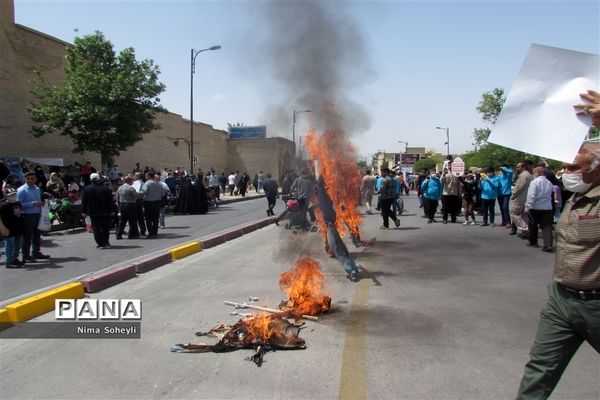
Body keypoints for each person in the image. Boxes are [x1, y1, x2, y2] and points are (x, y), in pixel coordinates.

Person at [516, 141, 600, 399]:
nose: (567, 173)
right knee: (539, 370)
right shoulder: (574, 198)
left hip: (595, 303)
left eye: (574, 166)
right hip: (561, 300)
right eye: (564, 167)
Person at [316, 176, 360, 282]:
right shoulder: (324, 191)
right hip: (330, 223)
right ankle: (353, 268)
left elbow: (332, 207)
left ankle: (351, 270)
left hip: (331, 224)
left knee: (337, 249)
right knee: (341, 249)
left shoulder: (324, 192)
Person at [16, 171, 50, 262]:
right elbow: (18, 204)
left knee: (37, 235)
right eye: (28, 179)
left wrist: (41, 203)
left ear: (35, 179)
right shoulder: (22, 190)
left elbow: (38, 200)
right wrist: (32, 203)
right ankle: (26, 255)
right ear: (25, 179)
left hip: (38, 214)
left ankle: (36, 252)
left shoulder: (37, 189)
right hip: (27, 215)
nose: (31, 180)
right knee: (27, 236)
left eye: (32, 179)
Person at [523, 166, 554, 252]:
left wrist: (527, 206)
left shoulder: (535, 182)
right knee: (547, 226)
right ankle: (548, 245)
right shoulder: (549, 182)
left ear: (538, 173)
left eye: (534, 173)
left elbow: (531, 195)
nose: (533, 174)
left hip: (536, 207)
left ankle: (533, 242)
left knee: (532, 225)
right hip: (547, 207)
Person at [81, 173, 115, 249]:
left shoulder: (86, 189)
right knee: (105, 228)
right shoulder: (106, 188)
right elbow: (110, 200)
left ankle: (100, 243)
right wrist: (112, 210)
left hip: (93, 212)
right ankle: (106, 242)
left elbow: (84, 201)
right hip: (106, 211)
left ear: (90, 179)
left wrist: (84, 211)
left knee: (96, 228)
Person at [1, 189, 24, 268]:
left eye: (14, 194)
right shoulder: (3, 206)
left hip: (18, 228)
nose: (13, 196)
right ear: (6, 196)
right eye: (11, 195)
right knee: (10, 246)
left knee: (18, 245)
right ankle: (9, 261)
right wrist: (3, 228)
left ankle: (15, 259)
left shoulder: (18, 203)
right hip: (8, 229)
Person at [509, 162, 533, 237]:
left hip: (519, 198)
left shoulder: (523, 175)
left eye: (518, 167)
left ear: (523, 168)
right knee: (523, 215)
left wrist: (513, 195)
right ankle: (527, 230)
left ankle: (525, 228)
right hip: (526, 198)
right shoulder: (529, 175)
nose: (516, 169)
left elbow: (519, 188)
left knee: (513, 213)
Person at [140, 172, 167, 238]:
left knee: (148, 218)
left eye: (146, 175)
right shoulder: (159, 184)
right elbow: (163, 194)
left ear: (149, 176)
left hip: (149, 203)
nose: (145, 177)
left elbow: (144, 192)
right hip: (157, 202)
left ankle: (151, 233)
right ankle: (155, 232)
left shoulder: (147, 183)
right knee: (155, 218)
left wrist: (137, 193)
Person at [115, 175, 139, 239]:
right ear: (129, 181)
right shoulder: (131, 188)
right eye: (132, 180)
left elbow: (117, 198)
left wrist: (119, 206)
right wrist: (140, 194)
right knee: (132, 220)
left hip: (122, 204)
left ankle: (118, 234)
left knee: (122, 220)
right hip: (130, 204)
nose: (133, 182)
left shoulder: (120, 188)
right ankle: (131, 234)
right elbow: (136, 196)